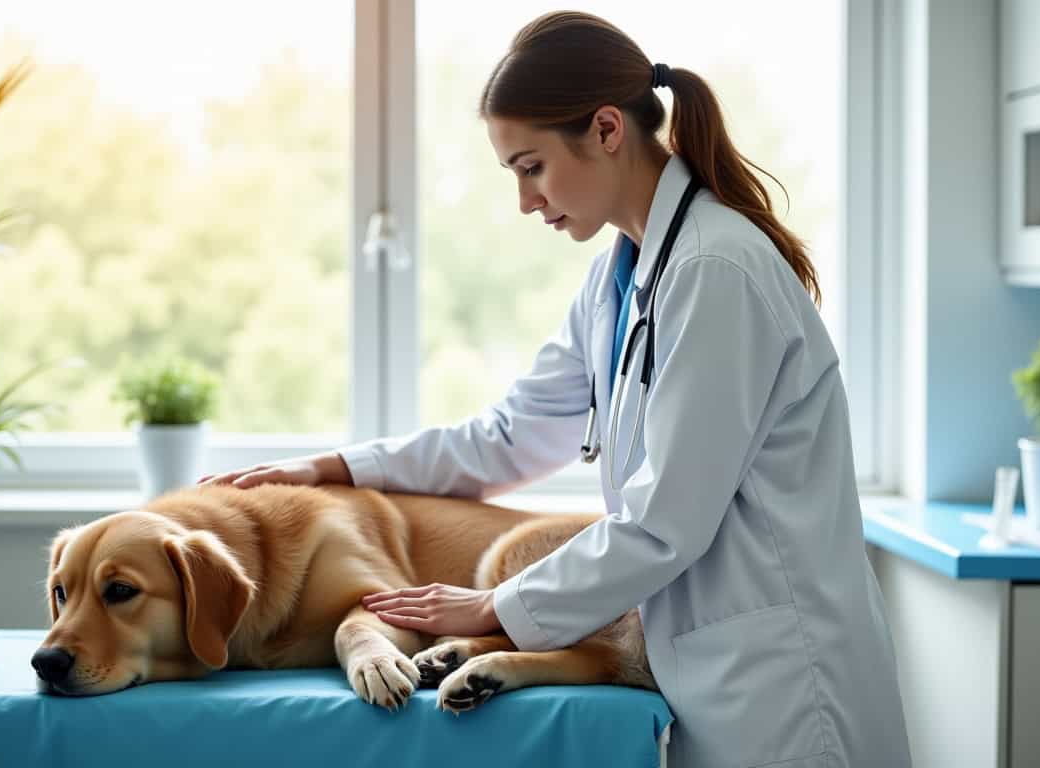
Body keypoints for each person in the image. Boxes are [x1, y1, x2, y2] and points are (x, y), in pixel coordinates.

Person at [202, 11, 911, 767]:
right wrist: (335, 469)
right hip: (714, 673)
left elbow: (663, 519)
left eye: (531, 166)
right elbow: (511, 436)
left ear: (608, 129)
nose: (526, 200)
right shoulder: (621, 277)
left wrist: (494, 607)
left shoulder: (716, 271)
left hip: (786, 683)